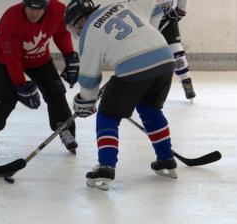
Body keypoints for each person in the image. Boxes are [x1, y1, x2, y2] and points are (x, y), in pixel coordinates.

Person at [64, 0, 178, 191]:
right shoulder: (120, 6)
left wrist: (86, 101)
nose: (76, 31)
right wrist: (146, 41)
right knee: (150, 109)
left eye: (75, 26)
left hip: (134, 69)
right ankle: (166, 160)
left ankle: (106, 168)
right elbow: (156, 7)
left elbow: (89, 78)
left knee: (107, 115)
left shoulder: (89, 32)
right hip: (165, 58)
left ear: (80, 20)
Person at [0, 0, 80, 159]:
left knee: (56, 92)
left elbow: (61, 33)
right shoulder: (10, 18)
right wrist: (20, 85)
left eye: (39, 9)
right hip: (7, 60)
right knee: (4, 99)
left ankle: (64, 128)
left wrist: (69, 55)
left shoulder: (58, 10)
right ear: (25, 4)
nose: (34, 13)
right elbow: (11, 57)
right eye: (31, 8)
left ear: (47, 6)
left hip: (40, 60)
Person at [160, 0, 196, 101]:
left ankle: (186, 81)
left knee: (177, 52)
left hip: (167, 19)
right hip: (145, 21)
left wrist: (180, 10)